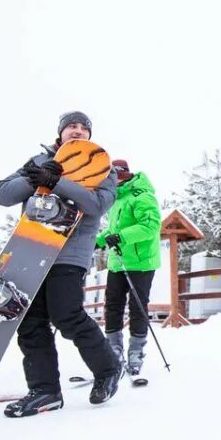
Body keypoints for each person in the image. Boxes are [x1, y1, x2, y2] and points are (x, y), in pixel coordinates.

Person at [0, 111, 120, 417]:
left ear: (90, 134)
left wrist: (57, 182)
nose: (76, 131)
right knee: (29, 320)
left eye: (82, 127)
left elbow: (96, 204)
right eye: (70, 127)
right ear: (60, 133)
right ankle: (44, 390)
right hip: (31, 249)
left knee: (67, 315)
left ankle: (108, 369)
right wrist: (32, 176)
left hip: (69, 251)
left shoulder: (102, 165)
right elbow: (1, 194)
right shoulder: (38, 161)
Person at [95, 159, 161, 376]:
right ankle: (113, 350)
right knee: (112, 305)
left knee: (137, 307)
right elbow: (114, 230)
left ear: (121, 176)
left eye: (111, 178)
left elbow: (150, 226)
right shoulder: (117, 199)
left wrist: (120, 237)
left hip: (141, 262)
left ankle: (136, 352)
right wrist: (98, 240)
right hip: (118, 262)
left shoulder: (142, 196)